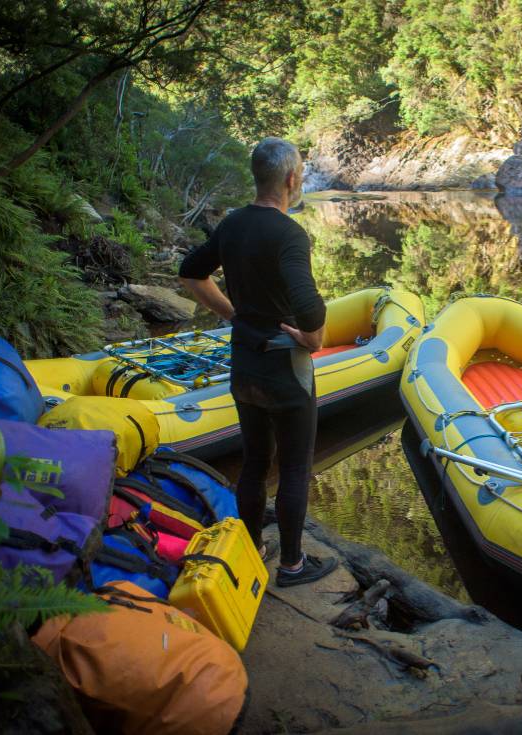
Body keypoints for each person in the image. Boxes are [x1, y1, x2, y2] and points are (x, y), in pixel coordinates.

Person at [178, 137, 337, 587]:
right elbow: (310, 307)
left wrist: (232, 313)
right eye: (301, 173)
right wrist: (312, 336)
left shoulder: (232, 224)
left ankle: (251, 549)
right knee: (293, 467)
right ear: (290, 179)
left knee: (253, 461)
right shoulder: (289, 233)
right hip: (285, 370)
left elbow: (191, 271)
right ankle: (292, 565)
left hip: (245, 365)